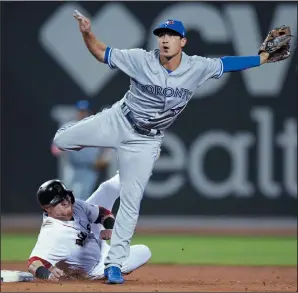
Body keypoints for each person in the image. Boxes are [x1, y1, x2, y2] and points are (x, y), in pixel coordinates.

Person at [52, 10, 290, 284]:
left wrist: (262, 58)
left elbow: (228, 63)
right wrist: (87, 33)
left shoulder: (197, 67)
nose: (166, 40)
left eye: (173, 36)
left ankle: (114, 265)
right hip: (119, 120)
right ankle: (82, 136)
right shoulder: (140, 59)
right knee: (61, 140)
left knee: (131, 199)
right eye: (162, 35)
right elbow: (101, 52)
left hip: (145, 141)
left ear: (183, 42)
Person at [27, 174, 151, 283]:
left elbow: (103, 212)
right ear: (47, 208)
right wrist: (48, 275)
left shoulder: (76, 205)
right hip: (95, 269)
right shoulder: (53, 233)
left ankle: (140, 164)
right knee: (144, 251)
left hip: (99, 244)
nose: (65, 201)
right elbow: (33, 263)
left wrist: (110, 228)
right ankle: (111, 268)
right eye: (58, 201)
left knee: (107, 188)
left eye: (65, 196)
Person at [52, 100, 112, 200]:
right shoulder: (68, 126)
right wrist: (60, 150)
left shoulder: (96, 128)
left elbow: (108, 144)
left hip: (89, 168)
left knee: (83, 196)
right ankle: (67, 215)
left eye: (84, 111)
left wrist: (104, 158)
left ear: (89, 112)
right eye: (80, 111)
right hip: (72, 167)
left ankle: (79, 215)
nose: (82, 114)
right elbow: (55, 146)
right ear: (77, 112)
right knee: (66, 195)